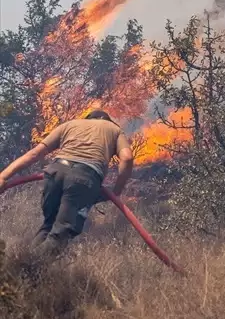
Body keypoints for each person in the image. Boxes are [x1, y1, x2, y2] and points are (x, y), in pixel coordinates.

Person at [0, 109, 133, 258]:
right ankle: (28, 272)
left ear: (87, 118)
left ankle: (21, 266)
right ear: (107, 120)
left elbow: (34, 154)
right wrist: (116, 191)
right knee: (60, 236)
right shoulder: (114, 129)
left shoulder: (69, 125)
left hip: (55, 172)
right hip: (84, 178)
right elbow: (127, 158)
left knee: (48, 226)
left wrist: (3, 176)